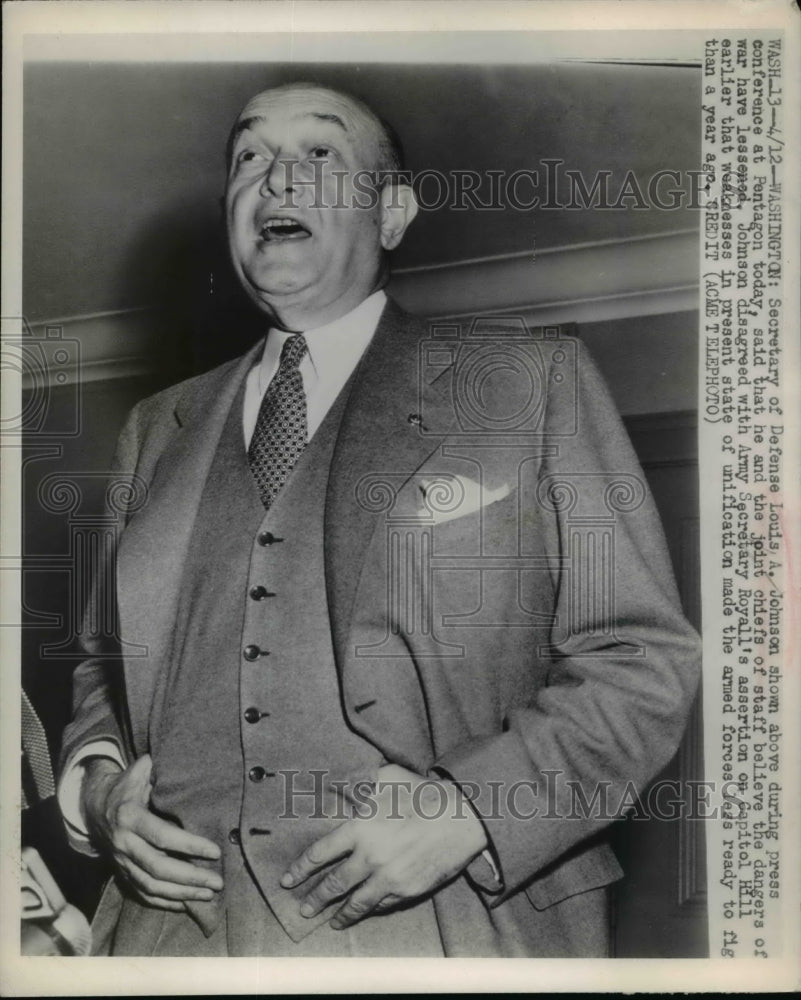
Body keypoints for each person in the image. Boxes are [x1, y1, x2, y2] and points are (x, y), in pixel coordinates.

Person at [58, 82, 701, 957]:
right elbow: (106, 672)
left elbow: (639, 659)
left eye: (318, 153)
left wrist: (472, 810)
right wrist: (97, 790)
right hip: (171, 940)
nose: (276, 179)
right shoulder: (153, 429)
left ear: (391, 212)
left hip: (445, 926)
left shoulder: (531, 384)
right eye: (249, 157)